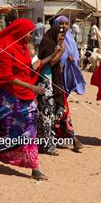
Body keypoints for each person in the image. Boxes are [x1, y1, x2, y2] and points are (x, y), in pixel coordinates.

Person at [0, 19, 57, 181]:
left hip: (25, 99)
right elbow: (7, 77)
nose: (31, 36)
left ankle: (35, 168)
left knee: (30, 131)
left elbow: (30, 68)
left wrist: (53, 55)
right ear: (20, 32)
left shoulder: (23, 49)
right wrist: (31, 86)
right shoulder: (6, 48)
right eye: (29, 33)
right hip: (7, 100)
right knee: (3, 130)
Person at [52, 16, 85, 152]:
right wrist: (63, 56)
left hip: (67, 81)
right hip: (55, 81)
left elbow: (76, 57)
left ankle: (56, 138)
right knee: (63, 110)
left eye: (66, 23)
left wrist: (72, 60)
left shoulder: (70, 38)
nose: (64, 26)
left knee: (58, 111)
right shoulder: (52, 39)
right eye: (61, 24)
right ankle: (73, 139)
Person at [36, 24, 66, 155]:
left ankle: (44, 143)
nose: (61, 38)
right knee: (47, 115)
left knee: (51, 114)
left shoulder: (52, 43)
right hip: (45, 82)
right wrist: (61, 51)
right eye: (60, 35)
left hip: (51, 82)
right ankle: (47, 145)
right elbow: (51, 62)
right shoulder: (48, 44)